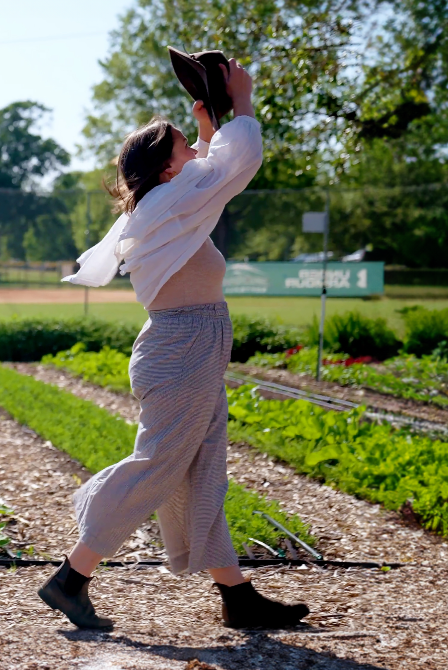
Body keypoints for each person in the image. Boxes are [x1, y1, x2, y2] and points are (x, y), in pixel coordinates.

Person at [39, 58, 310, 630]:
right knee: (160, 466)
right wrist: (242, 103)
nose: (197, 151)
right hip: (183, 347)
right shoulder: (170, 203)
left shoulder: (168, 203)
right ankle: (72, 576)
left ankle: (236, 595)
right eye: (185, 146)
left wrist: (206, 125)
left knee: (200, 470)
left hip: (191, 346)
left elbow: (209, 169)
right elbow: (235, 165)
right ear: (167, 170)